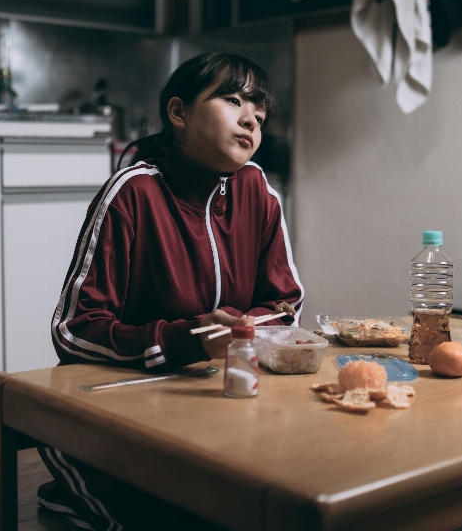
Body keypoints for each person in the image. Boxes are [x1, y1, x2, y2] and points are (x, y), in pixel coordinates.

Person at [38, 52, 304, 531]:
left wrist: (245, 334)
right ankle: (73, 497)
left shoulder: (257, 191)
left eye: (260, 116)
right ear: (178, 113)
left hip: (210, 398)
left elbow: (284, 307)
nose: (251, 120)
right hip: (117, 400)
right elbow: (74, 331)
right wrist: (189, 338)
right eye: (233, 100)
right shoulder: (133, 193)